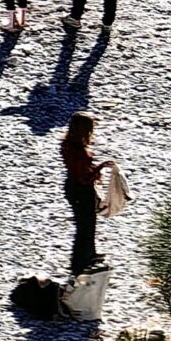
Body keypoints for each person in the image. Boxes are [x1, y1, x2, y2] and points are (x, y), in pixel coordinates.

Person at [60, 112, 110, 274]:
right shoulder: (80, 151)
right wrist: (100, 168)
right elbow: (84, 178)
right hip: (82, 191)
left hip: (72, 188)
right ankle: (82, 259)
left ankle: (86, 256)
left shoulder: (67, 145)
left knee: (84, 225)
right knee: (86, 226)